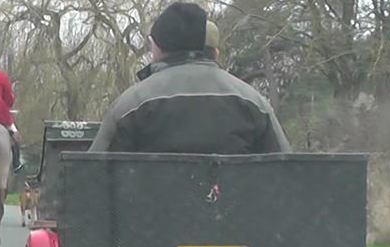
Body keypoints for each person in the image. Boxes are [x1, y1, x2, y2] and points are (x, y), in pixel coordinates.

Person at [89, 3, 291, 154]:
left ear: (157, 46)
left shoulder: (131, 104)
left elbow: (92, 177)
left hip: (150, 210)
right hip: (236, 210)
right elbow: (286, 169)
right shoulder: (252, 101)